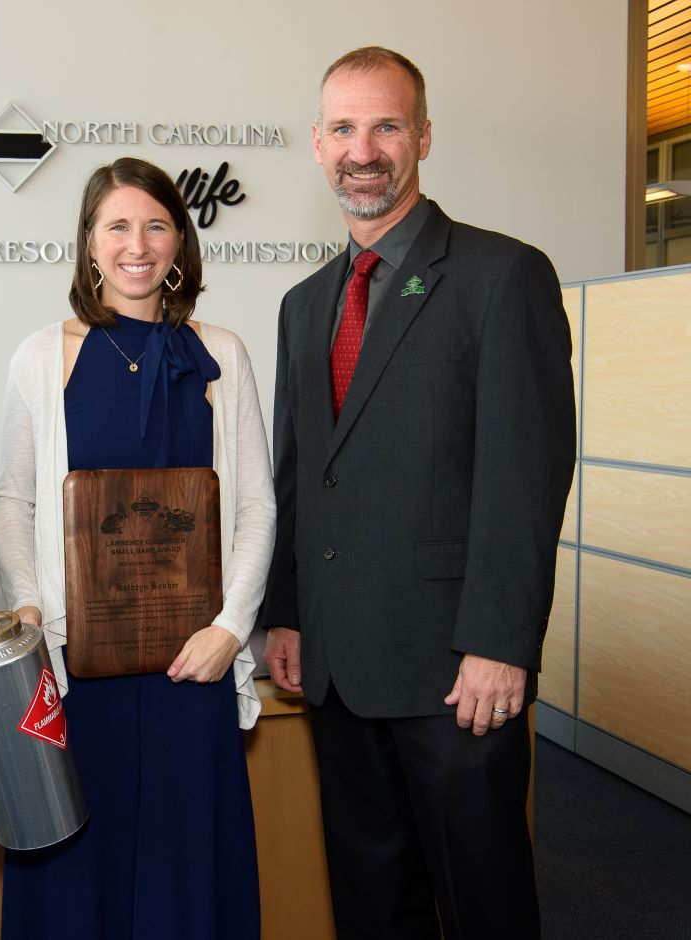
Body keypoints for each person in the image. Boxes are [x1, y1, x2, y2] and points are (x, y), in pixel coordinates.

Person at [261, 47, 576, 940]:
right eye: (346, 129)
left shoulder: (500, 276)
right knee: (372, 903)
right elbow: (299, 475)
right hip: (334, 668)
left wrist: (499, 644)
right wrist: (287, 612)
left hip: (454, 671)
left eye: (387, 126)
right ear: (318, 145)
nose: (366, 150)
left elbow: (528, 474)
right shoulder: (303, 302)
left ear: (424, 137)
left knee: (484, 903)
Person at [0, 156, 275, 939]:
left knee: (190, 865)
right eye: (117, 225)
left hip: (195, 666)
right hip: (77, 674)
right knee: (79, 871)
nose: (137, 244)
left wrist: (230, 628)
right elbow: (13, 499)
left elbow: (256, 504)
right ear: (88, 244)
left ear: (180, 241)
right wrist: (27, 611)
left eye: (156, 224)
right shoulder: (40, 356)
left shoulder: (224, 353)